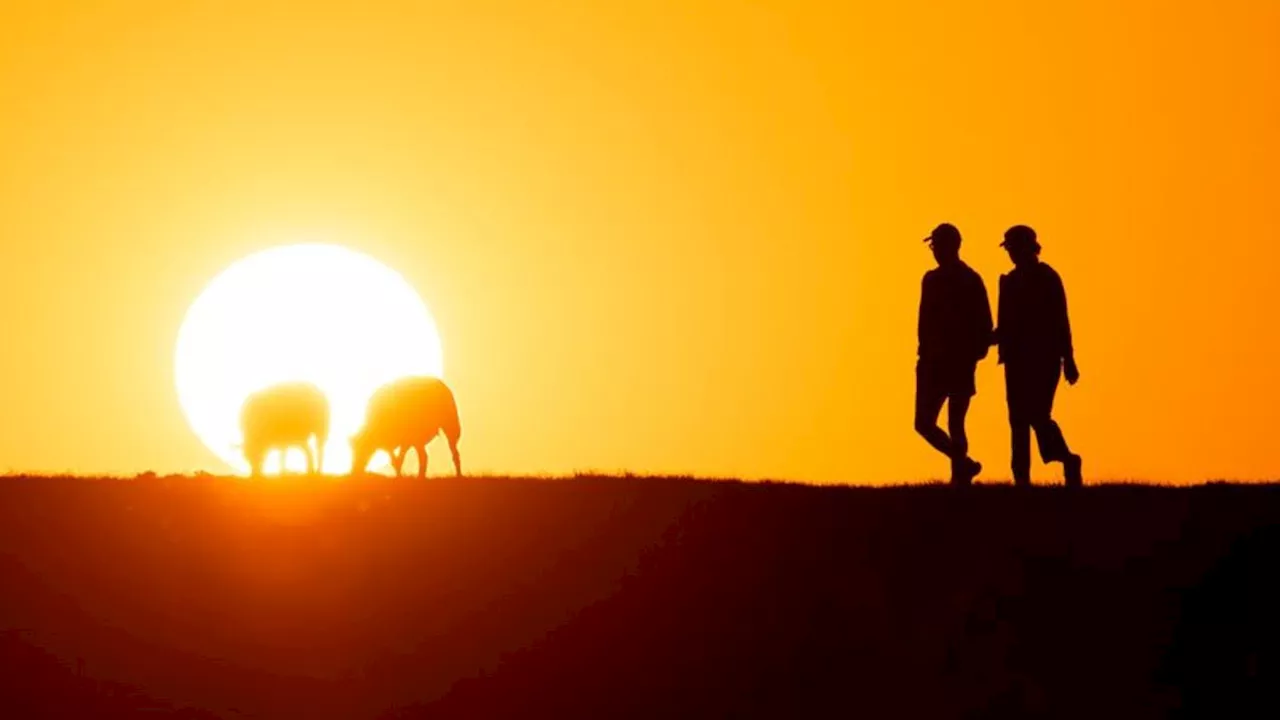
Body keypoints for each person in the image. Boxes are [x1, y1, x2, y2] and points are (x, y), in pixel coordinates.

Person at [994, 225, 1083, 487]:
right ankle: (1021, 479)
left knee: (1037, 415)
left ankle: (1067, 459)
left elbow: (1060, 320)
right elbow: (1006, 326)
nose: (1010, 252)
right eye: (1008, 248)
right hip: (1015, 361)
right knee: (1017, 420)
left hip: (1044, 358)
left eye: (1013, 247)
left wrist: (1069, 360)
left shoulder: (1047, 277)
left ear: (1028, 247)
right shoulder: (1008, 282)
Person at [915, 223, 993, 485]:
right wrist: (924, 354)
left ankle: (960, 476)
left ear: (952, 246)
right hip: (933, 363)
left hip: (958, 362)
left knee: (955, 422)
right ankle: (964, 465)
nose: (935, 251)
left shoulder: (970, 279)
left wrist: (973, 353)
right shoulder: (932, 279)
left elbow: (984, 323)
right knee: (924, 423)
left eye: (937, 245)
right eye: (933, 246)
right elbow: (924, 321)